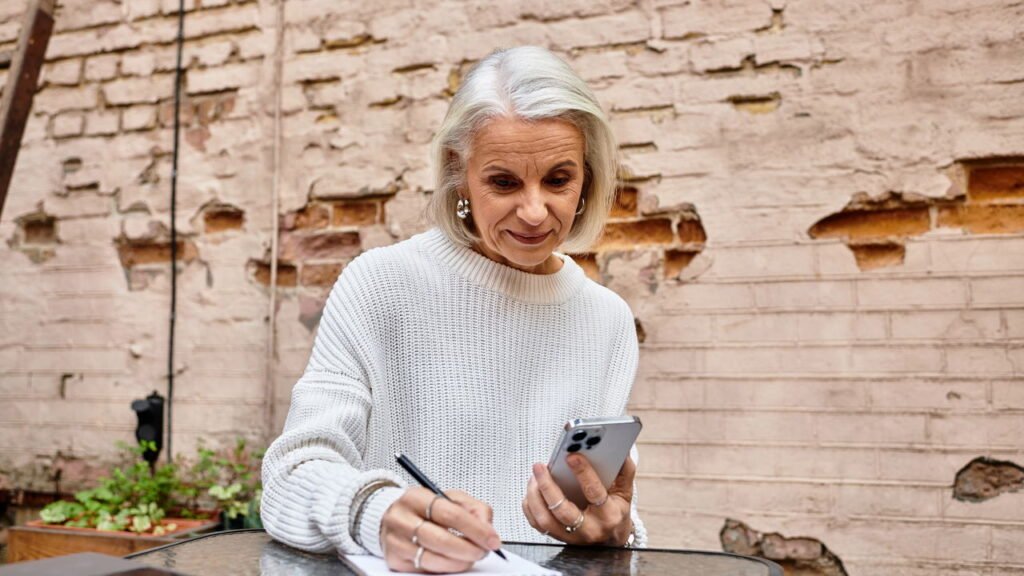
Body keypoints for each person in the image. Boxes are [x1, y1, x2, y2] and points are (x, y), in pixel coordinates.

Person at [261, 45, 647, 574]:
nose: (534, 212)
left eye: (558, 180)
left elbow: (606, 513)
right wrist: (375, 512)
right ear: (457, 172)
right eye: (504, 181)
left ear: (587, 177)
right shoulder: (381, 284)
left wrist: (612, 532)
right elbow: (291, 478)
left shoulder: (607, 320)